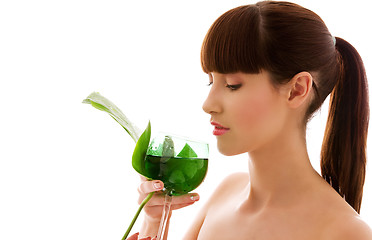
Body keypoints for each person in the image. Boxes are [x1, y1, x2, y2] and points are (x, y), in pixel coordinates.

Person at [131, 1, 371, 239]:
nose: (208, 105)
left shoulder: (345, 232)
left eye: (232, 85)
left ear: (297, 89)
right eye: (211, 81)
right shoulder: (226, 193)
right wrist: (154, 220)